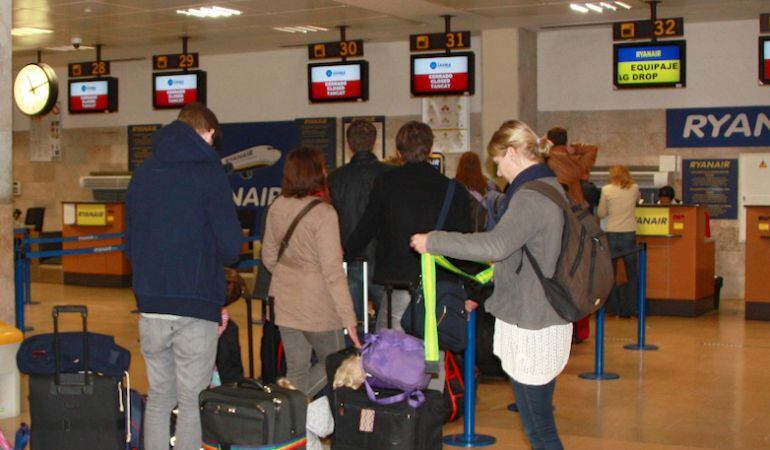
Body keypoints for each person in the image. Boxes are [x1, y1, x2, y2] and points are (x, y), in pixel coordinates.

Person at [411, 120, 571, 450]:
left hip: (533, 321)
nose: (497, 168)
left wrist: (435, 241)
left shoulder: (530, 197)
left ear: (512, 152)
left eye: (498, 160)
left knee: (540, 428)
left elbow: (496, 246)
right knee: (539, 423)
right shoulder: (549, 187)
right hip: (543, 314)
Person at [125, 102, 243, 450]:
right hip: (195, 305)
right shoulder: (209, 173)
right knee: (193, 401)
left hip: (151, 306)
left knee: (160, 397)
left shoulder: (144, 173)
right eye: (213, 137)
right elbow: (231, 247)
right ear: (205, 131)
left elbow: (130, 245)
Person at [345, 121, 471, 390]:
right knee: (432, 360)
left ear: (399, 151)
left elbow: (367, 227)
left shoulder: (387, 183)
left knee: (390, 361)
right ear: (430, 148)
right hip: (439, 288)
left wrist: (345, 253)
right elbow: (465, 245)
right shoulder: (452, 189)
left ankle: (398, 418)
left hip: (397, 286)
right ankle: (432, 414)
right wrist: (471, 291)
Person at [262, 147, 361, 397]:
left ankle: (292, 424)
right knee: (337, 363)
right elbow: (333, 273)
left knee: (296, 371)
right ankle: (296, 413)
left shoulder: (277, 206)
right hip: (318, 305)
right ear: (316, 173)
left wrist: (291, 274)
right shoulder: (324, 213)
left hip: (283, 301)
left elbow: (268, 258)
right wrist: (349, 319)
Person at [328, 119, 390, 326]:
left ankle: (355, 357)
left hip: (350, 258)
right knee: (387, 326)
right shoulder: (391, 175)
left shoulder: (335, 178)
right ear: (374, 141)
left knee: (353, 325)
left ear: (349, 143)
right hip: (383, 261)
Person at [597, 166, 641, 318]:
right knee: (632, 274)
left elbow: (601, 213)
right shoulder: (634, 188)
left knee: (611, 274)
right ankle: (631, 309)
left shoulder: (606, 190)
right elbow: (638, 201)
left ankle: (612, 308)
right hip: (629, 233)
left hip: (612, 233)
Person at [544, 126, 598, 205]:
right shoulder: (575, 160)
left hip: (552, 201)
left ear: (549, 141)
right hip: (574, 203)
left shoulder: (544, 158)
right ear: (566, 140)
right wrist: (575, 149)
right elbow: (592, 149)